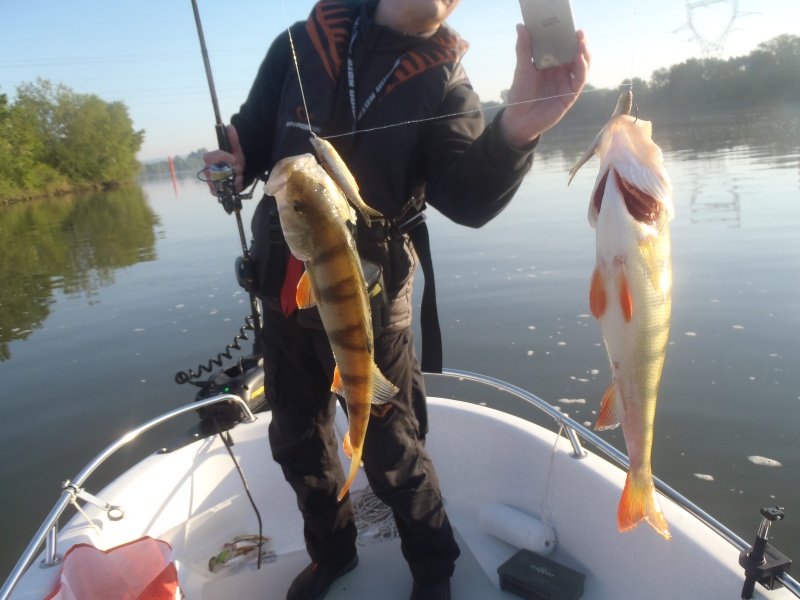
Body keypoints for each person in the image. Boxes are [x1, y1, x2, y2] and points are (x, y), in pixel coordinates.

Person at [203, 1, 590, 599]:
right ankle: (333, 555)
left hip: (375, 309)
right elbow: (251, 139)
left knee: (393, 453)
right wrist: (235, 163)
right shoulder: (299, 42)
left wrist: (515, 131)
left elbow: (465, 199)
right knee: (297, 445)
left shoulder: (446, 79)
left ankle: (434, 569)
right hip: (284, 295)